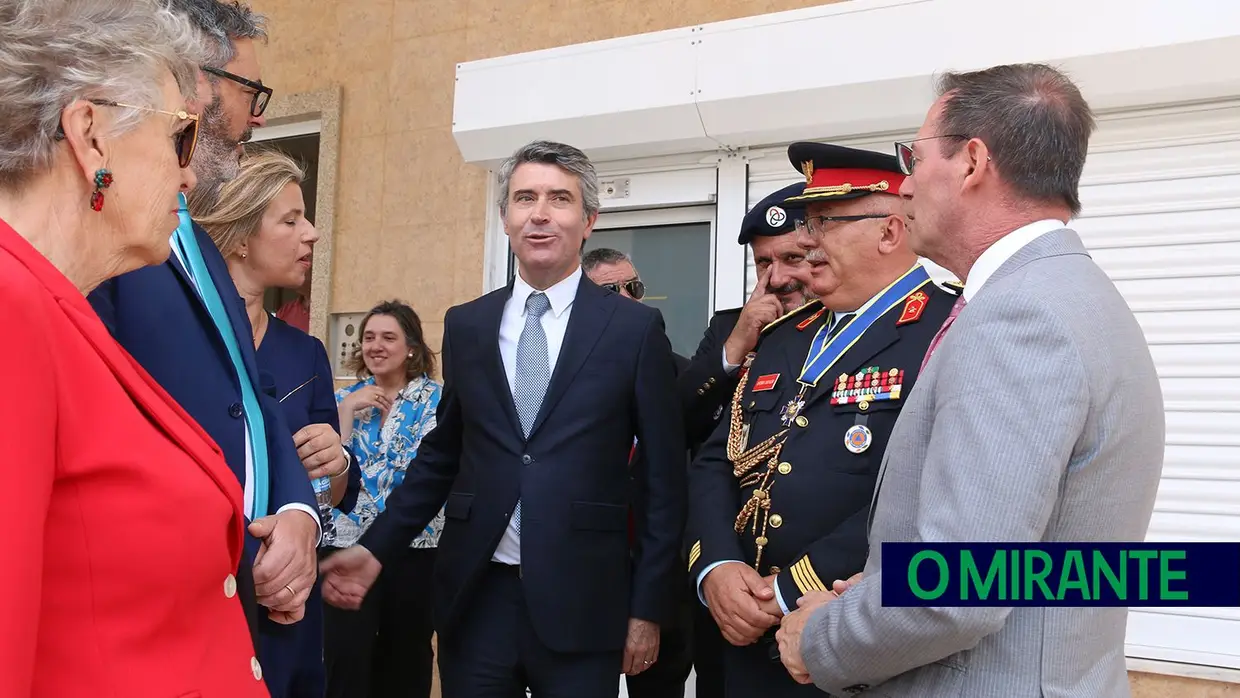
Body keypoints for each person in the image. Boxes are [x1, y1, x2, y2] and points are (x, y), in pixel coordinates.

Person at [776, 63, 1165, 697]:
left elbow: (957, 591)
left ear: (971, 162)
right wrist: (882, 591)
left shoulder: (1020, 316)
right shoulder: (1069, 293)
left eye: (914, 155)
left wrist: (822, 638)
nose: (904, 185)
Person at [320, 139, 688, 698]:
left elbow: (664, 480)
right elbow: (442, 457)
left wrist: (648, 607)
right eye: (525, 198)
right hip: (477, 595)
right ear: (505, 218)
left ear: (588, 220)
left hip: (583, 600)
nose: (540, 213)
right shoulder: (468, 324)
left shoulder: (633, 330)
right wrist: (376, 548)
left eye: (559, 199)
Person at [0, 0, 268, 694]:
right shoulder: (11, 306)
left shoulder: (60, 311)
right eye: (181, 138)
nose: (188, 177)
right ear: (90, 136)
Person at [86, 0, 341, 692]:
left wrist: (295, 514)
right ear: (188, 80)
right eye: (249, 91)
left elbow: (251, 401)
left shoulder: (194, 241)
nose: (257, 114)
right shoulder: (103, 237)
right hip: (166, 606)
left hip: (258, 608)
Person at [689, 142, 959, 698]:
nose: (805, 241)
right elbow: (719, 456)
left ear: (889, 232)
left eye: (823, 222)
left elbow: (934, 493)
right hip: (741, 639)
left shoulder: (949, 326)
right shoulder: (785, 333)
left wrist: (786, 591)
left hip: (845, 636)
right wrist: (714, 564)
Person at [191, 147, 364, 697]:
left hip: (291, 596)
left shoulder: (307, 351)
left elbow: (335, 491)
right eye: (290, 220)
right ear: (241, 239)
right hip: (202, 586)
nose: (311, 233)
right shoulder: (185, 336)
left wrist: (337, 462)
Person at [675, 182, 817, 698]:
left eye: (793, 257)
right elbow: (685, 429)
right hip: (728, 567)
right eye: (762, 264)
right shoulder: (731, 326)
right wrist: (735, 348)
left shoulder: (863, 327)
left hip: (818, 586)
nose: (777, 278)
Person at [321, 300, 444, 698]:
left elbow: (435, 474)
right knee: (345, 658)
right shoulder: (345, 398)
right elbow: (324, 479)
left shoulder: (437, 401)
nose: (375, 345)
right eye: (369, 337)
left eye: (388, 337)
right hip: (345, 546)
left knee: (405, 659)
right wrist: (343, 414)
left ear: (411, 347)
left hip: (413, 549)